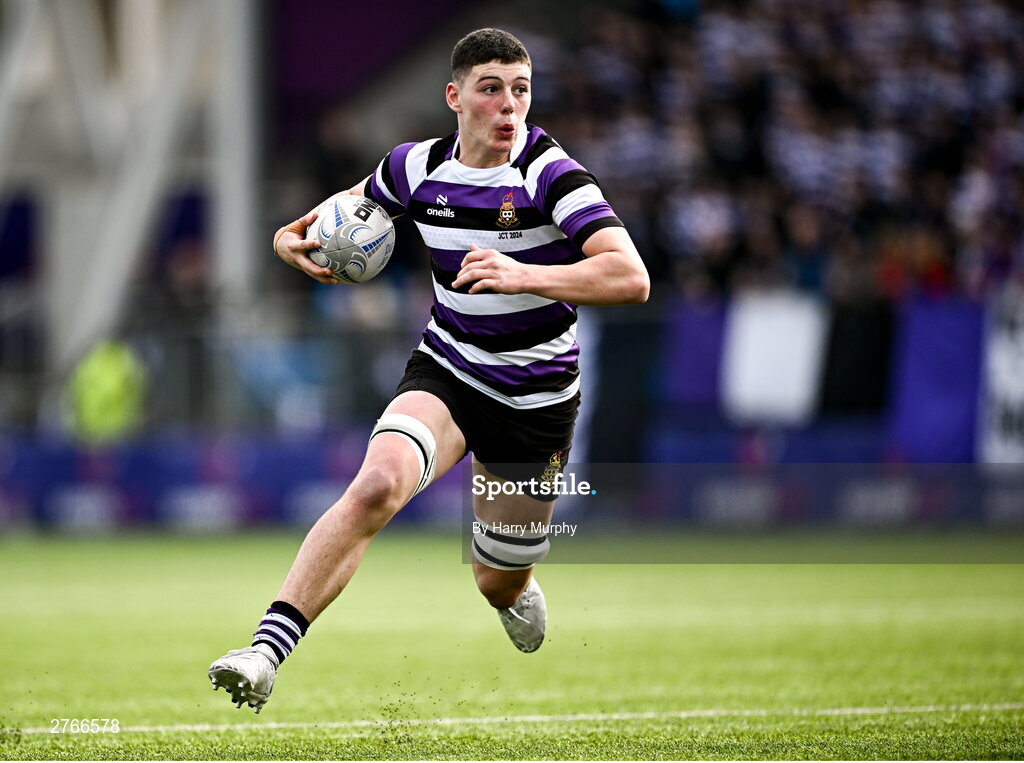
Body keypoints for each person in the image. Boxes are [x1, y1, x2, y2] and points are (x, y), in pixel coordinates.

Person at [208, 27, 649, 713]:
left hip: (535, 396)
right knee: (375, 485)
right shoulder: (415, 168)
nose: (510, 106)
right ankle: (263, 653)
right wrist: (286, 239)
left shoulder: (548, 173)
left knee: (495, 581)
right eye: (492, 89)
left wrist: (522, 272)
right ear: (455, 97)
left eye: (521, 91)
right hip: (448, 366)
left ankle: (515, 587)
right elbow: (327, 216)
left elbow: (631, 275)